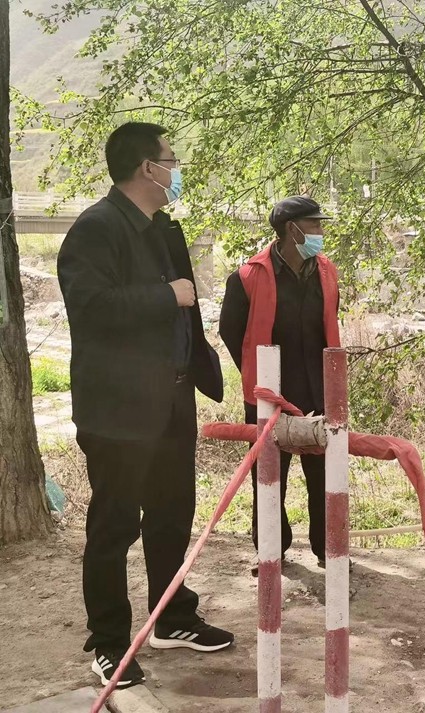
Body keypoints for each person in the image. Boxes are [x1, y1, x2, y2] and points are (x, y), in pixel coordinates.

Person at [58, 122, 233, 689]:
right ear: (146, 168)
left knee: (171, 513)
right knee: (114, 526)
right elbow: (90, 307)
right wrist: (166, 296)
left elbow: (185, 312)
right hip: (118, 409)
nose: (176, 171)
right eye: (171, 161)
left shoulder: (163, 228)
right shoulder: (96, 228)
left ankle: (171, 616)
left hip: (172, 399)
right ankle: (110, 643)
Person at [219, 196, 340, 574]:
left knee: (325, 477)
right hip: (269, 395)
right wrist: (257, 376)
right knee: (269, 479)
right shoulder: (247, 276)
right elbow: (230, 332)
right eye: (315, 224)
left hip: (320, 392)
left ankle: (329, 551)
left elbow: (329, 324)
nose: (320, 231)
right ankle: (271, 552)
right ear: (293, 229)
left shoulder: (326, 271)